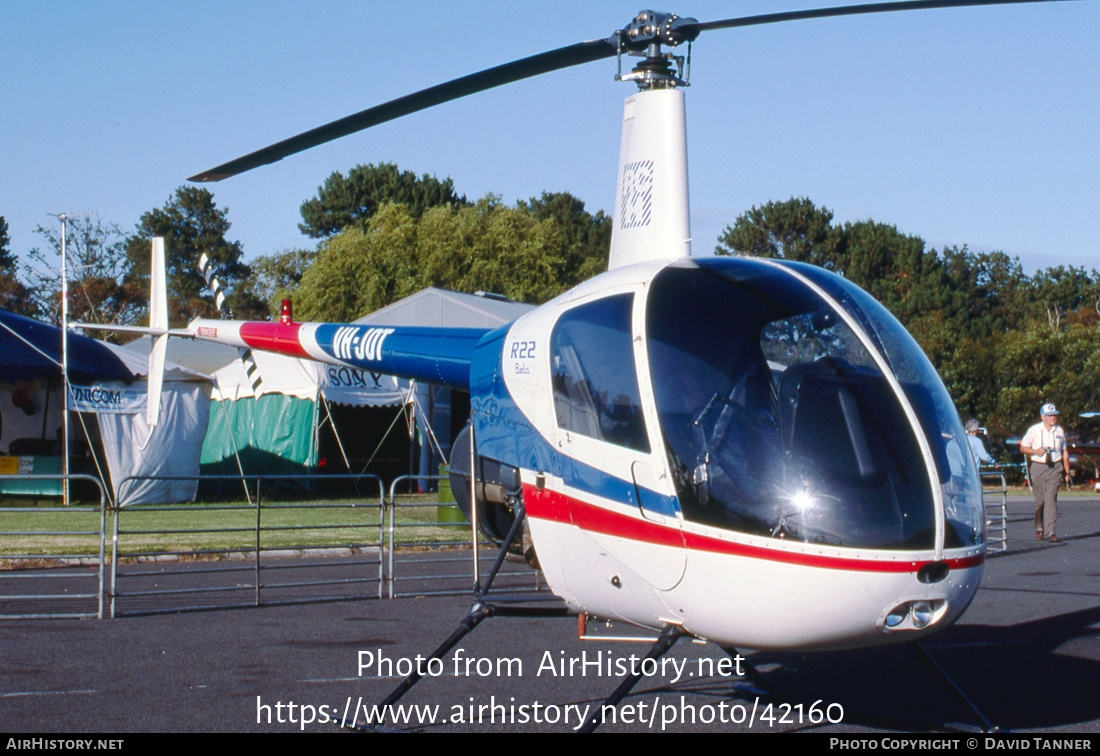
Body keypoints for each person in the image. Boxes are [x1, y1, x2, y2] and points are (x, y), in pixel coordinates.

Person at [1019, 403, 1071, 543]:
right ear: (1043, 417)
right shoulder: (1034, 430)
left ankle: (1051, 531)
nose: (1053, 417)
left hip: (1055, 467)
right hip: (1038, 466)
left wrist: (1067, 470)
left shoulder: (1059, 431)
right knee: (1040, 501)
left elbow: (1064, 452)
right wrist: (1036, 451)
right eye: (1050, 415)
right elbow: (1023, 448)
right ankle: (1039, 527)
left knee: (1051, 499)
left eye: (1054, 415)